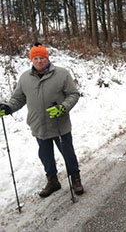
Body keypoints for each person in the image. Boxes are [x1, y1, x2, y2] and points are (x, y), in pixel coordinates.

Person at [0, 43, 84, 197]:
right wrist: (8, 108)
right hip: (38, 125)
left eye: (42, 58)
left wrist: (63, 107)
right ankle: (52, 181)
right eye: (36, 58)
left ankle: (75, 178)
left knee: (68, 153)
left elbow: (73, 94)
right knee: (45, 156)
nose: (39, 61)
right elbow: (18, 99)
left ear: (47, 58)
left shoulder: (62, 74)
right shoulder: (25, 78)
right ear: (32, 60)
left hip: (59, 123)